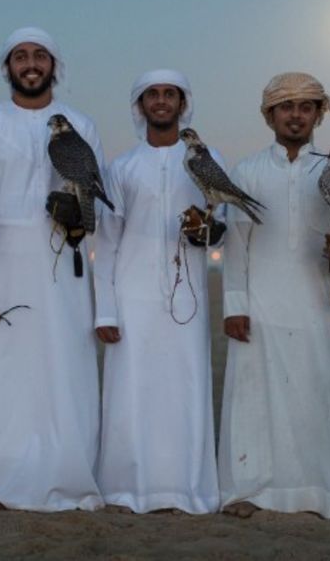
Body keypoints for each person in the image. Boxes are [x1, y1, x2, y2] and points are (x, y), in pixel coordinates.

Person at [0, 27, 104, 512]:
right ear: (8, 68)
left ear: (54, 66)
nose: (31, 63)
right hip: (0, 265)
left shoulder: (80, 124)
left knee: (65, 367)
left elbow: (97, 202)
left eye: (40, 55)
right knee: (3, 374)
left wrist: (80, 220)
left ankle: (67, 474)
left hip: (63, 265)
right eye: (21, 56)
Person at [218, 72, 330, 521]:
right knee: (255, 399)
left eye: (306, 107)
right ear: (269, 115)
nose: (296, 115)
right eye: (286, 107)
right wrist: (235, 305)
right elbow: (235, 244)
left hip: (316, 305)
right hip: (260, 304)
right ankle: (250, 490)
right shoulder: (247, 171)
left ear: (318, 115)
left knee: (318, 394)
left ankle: (319, 492)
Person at [93, 70, 224, 515]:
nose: (162, 101)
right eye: (154, 94)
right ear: (141, 105)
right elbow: (107, 242)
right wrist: (106, 311)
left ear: (182, 104)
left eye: (170, 94)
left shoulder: (208, 159)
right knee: (132, 390)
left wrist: (209, 232)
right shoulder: (122, 167)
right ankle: (126, 489)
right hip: (132, 296)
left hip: (187, 295)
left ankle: (186, 488)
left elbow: (219, 231)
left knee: (185, 386)